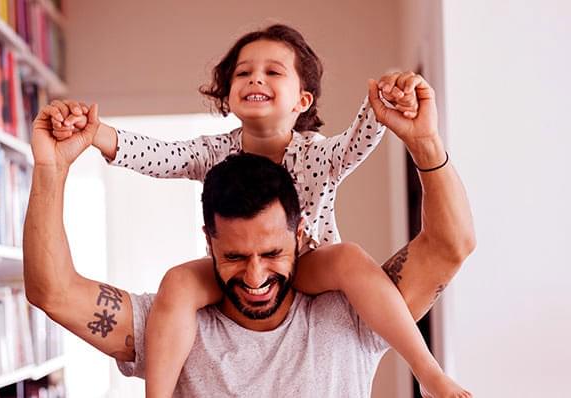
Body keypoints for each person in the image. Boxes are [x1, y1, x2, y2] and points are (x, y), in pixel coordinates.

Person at [43, 24, 469, 397]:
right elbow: (159, 155)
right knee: (178, 283)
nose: (254, 79)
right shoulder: (215, 151)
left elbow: (357, 145)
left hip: (312, 266)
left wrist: (384, 107)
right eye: (243, 73)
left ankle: (427, 372)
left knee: (349, 259)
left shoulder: (315, 155)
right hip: (225, 277)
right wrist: (95, 134)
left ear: (302, 100)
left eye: (272, 72)